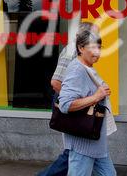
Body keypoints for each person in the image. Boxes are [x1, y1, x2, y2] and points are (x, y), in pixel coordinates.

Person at [37, 22, 98, 176]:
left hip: (76, 105)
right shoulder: (71, 50)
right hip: (70, 106)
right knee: (73, 150)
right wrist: (73, 101)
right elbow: (56, 82)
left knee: (78, 149)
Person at [58, 29, 116, 176]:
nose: (97, 52)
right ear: (81, 48)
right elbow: (65, 104)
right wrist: (96, 96)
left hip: (95, 141)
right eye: (92, 48)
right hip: (83, 144)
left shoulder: (88, 68)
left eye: (99, 48)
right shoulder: (77, 70)